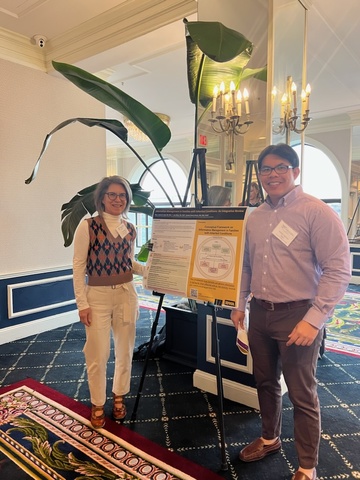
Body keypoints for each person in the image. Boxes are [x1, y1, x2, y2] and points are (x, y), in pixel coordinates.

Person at [230, 144, 351, 480]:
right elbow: (247, 266)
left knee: (301, 393)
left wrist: (314, 320)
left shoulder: (316, 212)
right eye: (266, 169)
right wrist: (240, 305)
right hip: (260, 314)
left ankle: (307, 467)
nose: (273, 175)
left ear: (295, 171)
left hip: (299, 314)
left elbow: (339, 270)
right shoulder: (256, 217)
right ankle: (269, 439)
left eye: (281, 167)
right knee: (265, 382)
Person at [73, 175, 145, 429]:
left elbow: (129, 262)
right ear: (102, 198)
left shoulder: (130, 227)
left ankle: (118, 396)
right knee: (98, 353)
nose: (117, 199)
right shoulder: (89, 226)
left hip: (126, 294)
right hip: (98, 298)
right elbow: (79, 266)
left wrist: (150, 270)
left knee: (125, 351)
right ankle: (96, 403)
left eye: (122, 195)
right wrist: (82, 304)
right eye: (112, 195)